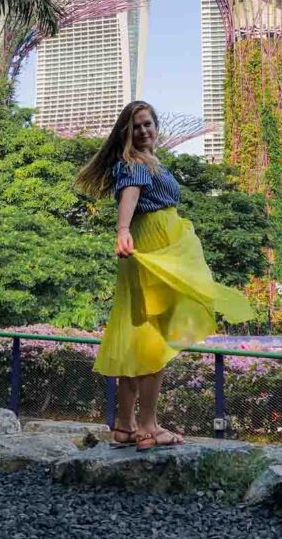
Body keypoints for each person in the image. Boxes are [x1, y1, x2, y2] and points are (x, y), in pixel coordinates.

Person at [76, 101, 252, 450]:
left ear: (156, 127)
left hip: (151, 249)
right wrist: (123, 229)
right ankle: (149, 427)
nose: (143, 131)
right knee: (156, 338)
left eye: (147, 124)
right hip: (152, 250)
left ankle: (125, 426)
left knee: (138, 332)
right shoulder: (136, 164)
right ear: (127, 133)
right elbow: (131, 194)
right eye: (136, 126)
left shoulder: (146, 162)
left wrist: (127, 232)